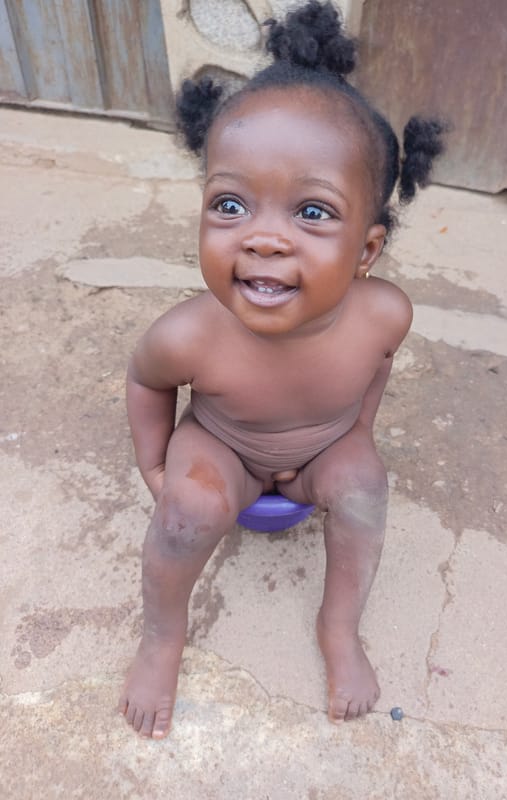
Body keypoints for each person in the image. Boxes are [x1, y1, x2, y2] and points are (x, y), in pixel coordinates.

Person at [118, 0, 444, 739]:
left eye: (313, 213)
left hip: (321, 446)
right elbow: (147, 381)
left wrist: (357, 431)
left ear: (367, 251)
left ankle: (339, 625)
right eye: (230, 204)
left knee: (363, 488)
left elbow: (378, 367)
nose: (264, 239)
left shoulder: (384, 315)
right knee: (186, 512)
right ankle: (161, 639)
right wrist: (155, 465)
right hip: (225, 447)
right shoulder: (189, 334)